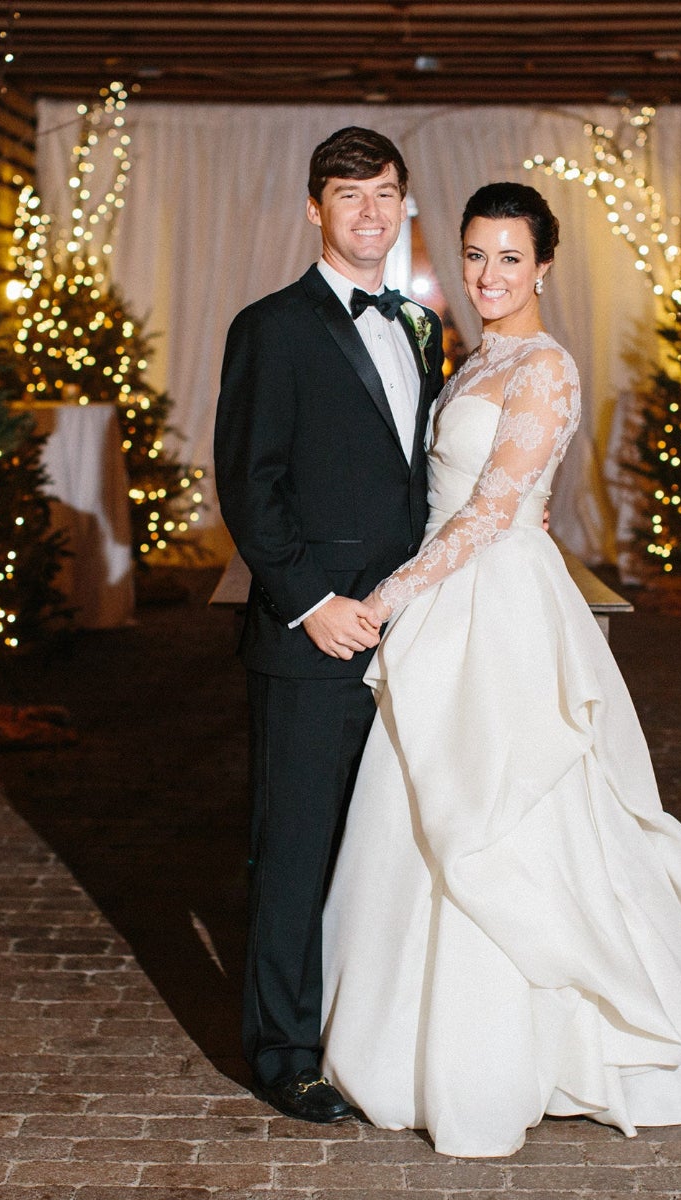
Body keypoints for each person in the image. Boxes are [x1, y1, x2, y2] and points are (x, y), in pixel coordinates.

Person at [321, 182, 681, 1158]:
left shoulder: (544, 366)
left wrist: (389, 598)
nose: (489, 275)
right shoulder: (476, 359)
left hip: (495, 607)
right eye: (475, 255)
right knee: (425, 810)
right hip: (457, 594)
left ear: (544, 265)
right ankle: (409, 1046)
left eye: (510, 258)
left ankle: (513, 1057)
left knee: (503, 806)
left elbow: (487, 513)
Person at [212, 127, 446, 1123]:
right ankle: (283, 1053)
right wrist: (312, 604)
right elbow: (250, 484)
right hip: (314, 638)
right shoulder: (271, 327)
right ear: (316, 207)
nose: (369, 212)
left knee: (386, 845)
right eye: (348, 195)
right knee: (296, 850)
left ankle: (365, 1030)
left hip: (413, 633)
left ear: (403, 206)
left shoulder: (422, 328)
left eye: (385, 193)